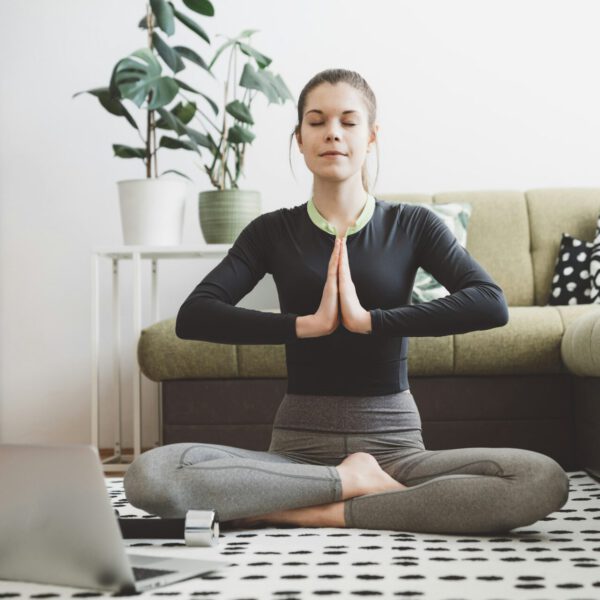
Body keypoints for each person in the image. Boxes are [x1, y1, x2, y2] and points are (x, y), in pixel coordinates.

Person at [123, 68, 569, 534]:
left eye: (348, 121)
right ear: (299, 138)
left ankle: (304, 511)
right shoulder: (271, 231)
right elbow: (196, 315)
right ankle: (348, 483)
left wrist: (370, 321)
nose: (332, 132)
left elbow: (489, 303)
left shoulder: (414, 225)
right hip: (297, 453)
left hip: (395, 450)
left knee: (539, 478)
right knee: (149, 476)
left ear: (371, 136)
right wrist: (303, 325)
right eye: (316, 121)